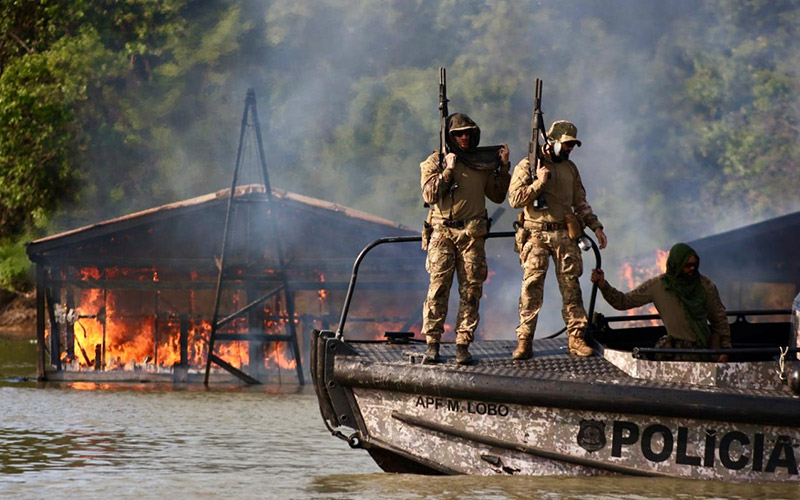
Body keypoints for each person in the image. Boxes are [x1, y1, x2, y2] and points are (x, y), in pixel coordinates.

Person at [508, 120, 607, 360]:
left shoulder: (570, 169)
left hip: (565, 235)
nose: (569, 148)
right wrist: (539, 183)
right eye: (566, 144)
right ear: (551, 142)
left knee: (571, 289)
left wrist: (596, 227)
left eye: (572, 145)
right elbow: (514, 199)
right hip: (536, 235)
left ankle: (576, 338)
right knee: (531, 289)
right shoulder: (528, 166)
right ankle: (525, 341)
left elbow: (580, 202)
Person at [420, 113, 511, 364]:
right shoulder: (434, 162)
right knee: (438, 289)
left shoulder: (481, 163)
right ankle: (433, 343)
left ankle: (462, 344)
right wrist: (448, 170)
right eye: (458, 133)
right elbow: (429, 195)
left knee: (471, 290)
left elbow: (498, 195)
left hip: (472, 235)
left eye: (467, 132)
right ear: (449, 137)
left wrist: (503, 166)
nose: (463, 137)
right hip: (442, 233)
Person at [590, 243, 731, 362]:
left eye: (695, 264)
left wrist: (725, 349)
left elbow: (719, 319)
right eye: (687, 265)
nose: (692, 268)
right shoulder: (659, 286)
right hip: (676, 353)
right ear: (676, 264)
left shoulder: (705, 286)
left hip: (703, 351)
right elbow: (623, 302)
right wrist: (603, 285)